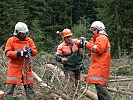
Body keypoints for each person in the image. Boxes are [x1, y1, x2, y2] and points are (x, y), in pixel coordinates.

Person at [4, 22, 37, 100]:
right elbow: (7, 53)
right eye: (22, 33)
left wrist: (31, 51)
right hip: (14, 68)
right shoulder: (11, 40)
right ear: (17, 32)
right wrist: (19, 53)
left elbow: (35, 52)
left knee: (30, 90)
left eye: (25, 33)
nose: (23, 35)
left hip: (26, 68)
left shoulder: (29, 40)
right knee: (9, 89)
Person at [84, 21, 112, 100]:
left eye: (94, 30)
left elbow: (99, 49)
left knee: (103, 93)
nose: (93, 32)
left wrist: (86, 44)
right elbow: (92, 45)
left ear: (99, 29)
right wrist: (85, 42)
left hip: (100, 68)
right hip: (99, 68)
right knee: (100, 94)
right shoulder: (98, 38)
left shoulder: (102, 38)